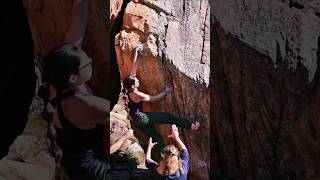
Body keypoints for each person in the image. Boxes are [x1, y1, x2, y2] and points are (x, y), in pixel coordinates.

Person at [41, 0, 110, 179]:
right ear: (73, 76)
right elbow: (117, 114)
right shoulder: (81, 103)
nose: (90, 60)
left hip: (70, 155)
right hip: (90, 169)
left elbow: (78, 20)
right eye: (87, 61)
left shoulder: (60, 73)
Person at [122, 44, 200, 156]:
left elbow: (134, 69)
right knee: (167, 117)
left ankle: (164, 159)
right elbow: (153, 99)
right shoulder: (136, 94)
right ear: (133, 86)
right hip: (142, 118)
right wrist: (165, 92)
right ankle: (190, 126)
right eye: (136, 81)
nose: (137, 79)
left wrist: (136, 53)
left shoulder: (129, 86)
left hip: (136, 120)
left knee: (157, 138)